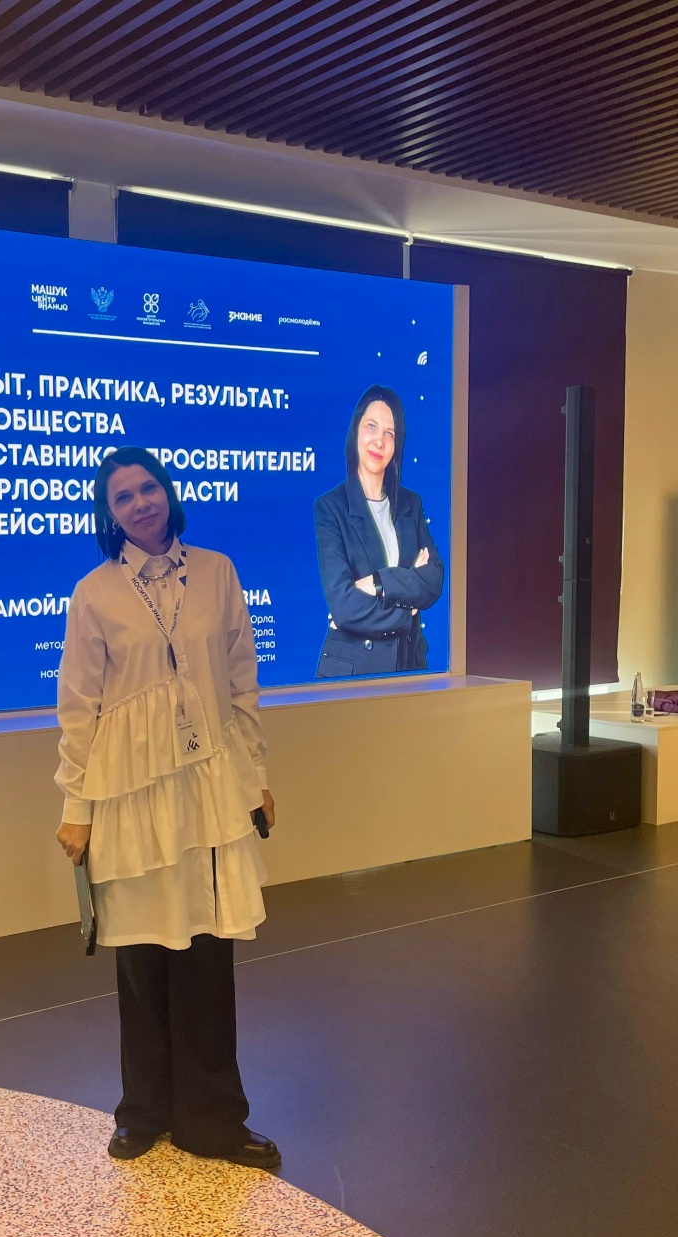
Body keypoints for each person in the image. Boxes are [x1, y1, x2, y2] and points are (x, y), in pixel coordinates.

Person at [54, 446, 279, 1169]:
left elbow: (241, 683)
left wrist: (254, 777)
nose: (140, 503)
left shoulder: (217, 572)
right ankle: (143, 1112)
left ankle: (213, 1119)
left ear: (168, 492)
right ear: (109, 514)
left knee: (208, 954)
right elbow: (78, 708)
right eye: (122, 497)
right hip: (129, 793)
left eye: (148, 487)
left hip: (209, 787)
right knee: (142, 956)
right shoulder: (93, 593)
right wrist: (77, 805)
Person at [313, 384, 444, 678]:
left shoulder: (411, 504)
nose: (379, 441)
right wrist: (406, 610)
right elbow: (344, 606)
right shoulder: (330, 508)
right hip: (354, 670)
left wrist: (377, 583)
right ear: (355, 432)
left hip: (408, 664)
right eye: (371, 427)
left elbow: (434, 578)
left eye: (390, 433)